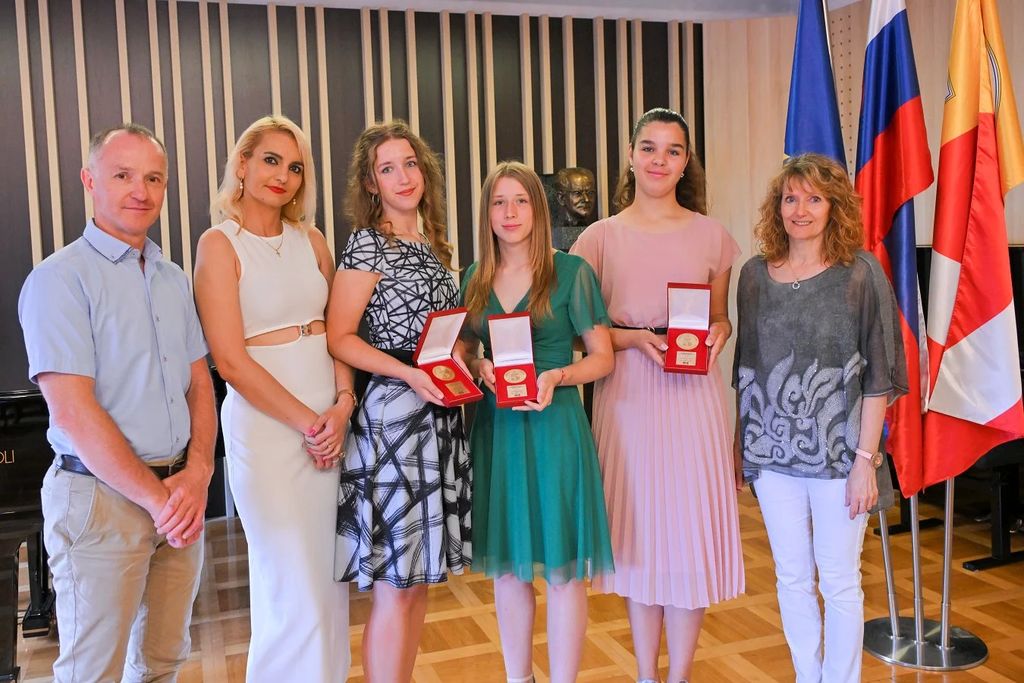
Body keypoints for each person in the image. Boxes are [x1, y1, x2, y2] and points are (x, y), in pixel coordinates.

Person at [18, 123, 217, 682]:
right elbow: (73, 412)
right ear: (90, 181)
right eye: (123, 175)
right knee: (93, 672)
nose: (141, 191)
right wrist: (158, 500)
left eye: (154, 178)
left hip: (179, 495)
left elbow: (199, 385)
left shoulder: (173, 279)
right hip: (101, 504)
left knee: (162, 663)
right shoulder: (58, 280)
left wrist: (199, 472)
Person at [571, 107, 745, 683]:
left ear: (686, 162)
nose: (659, 160)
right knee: (639, 535)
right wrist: (633, 339)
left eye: (672, 150)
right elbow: (580, 331)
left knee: (689, 535)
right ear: (630, 155)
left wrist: (720, 333)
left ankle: (679, 676)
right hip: (627, 398)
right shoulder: (598, 238)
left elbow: (720, 317)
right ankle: (647, 674)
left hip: (694, 399)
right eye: (648, 147)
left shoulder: (713, 236)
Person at [734, 153, 906, 683]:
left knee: (839, 581)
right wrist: (739, 447)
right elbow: (747, 370)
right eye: (790, 198)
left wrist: (865, 462)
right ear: (777, 207)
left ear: (835, 207)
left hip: (842, 458)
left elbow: (879, 375)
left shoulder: (861, 273)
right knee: (791, 578)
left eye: (814, 198)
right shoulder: (754, 276)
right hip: (771, 456)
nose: (800, 210)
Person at [193, 115, 351, 682]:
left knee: (329, 582)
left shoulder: (313, 240)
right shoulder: (218, 245)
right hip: (268, 432)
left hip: (329, 425)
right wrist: (311, 423)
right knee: (292, 584)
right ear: (242, 164)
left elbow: (338, 331)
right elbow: (231, 362)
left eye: (295, 167)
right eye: (270, 160)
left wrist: (343, 405)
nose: (283, 175)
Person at [328, 119, 471, 682]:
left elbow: (441, 332)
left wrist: (461, 360)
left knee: (417, 584)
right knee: (395, 584)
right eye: (387, 169)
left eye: (410, 164)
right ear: (371, 183)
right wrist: (409, 374)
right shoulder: (368, 244)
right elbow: (340, 336)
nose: (403, 176)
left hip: (438, 417)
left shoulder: (434, 243)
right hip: (394, 418)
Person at [461, 161, 615, 683]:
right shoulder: (474, 278)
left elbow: (603, 358)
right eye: (499, 202)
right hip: (499, 431)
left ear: (538, 209)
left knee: (564, 570)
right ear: (487, 213)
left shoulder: (572, 272)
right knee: (509, 568)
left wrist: (558, 376)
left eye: (521, 201)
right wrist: (477, 366)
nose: (509, 212)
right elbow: (462, 351)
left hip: (556, 429)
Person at [549, 166, 596, 251]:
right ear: (561, 198)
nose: (586, 199)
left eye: (590, 193)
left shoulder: (597, 231)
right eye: (578, 193)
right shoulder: (554, 234)